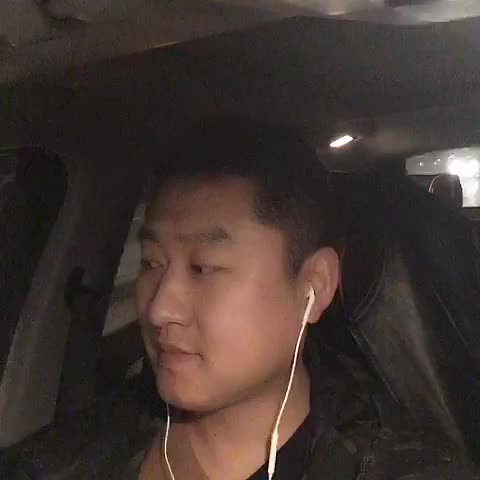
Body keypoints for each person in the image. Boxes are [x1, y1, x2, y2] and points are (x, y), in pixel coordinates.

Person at [131, 118, 479, 480]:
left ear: (314, 285)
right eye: (151, 263)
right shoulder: (100, 439)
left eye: (204, 267)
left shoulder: (404, 468)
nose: (159, 310)